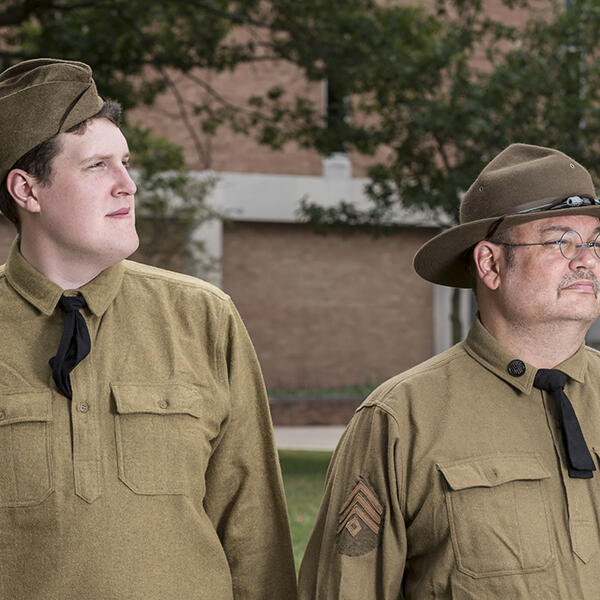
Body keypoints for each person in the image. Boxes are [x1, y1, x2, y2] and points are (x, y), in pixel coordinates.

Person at [0, 58, 296, 600]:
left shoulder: (203, 316)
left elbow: (254, 534)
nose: (128, 185)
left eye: (126, 163)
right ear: (27, 190)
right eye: (98, 166)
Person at [298, 143, 600, 599]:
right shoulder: (401, 419)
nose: (588, 260)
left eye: (596, 242)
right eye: (562, 241)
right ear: (490, 264)